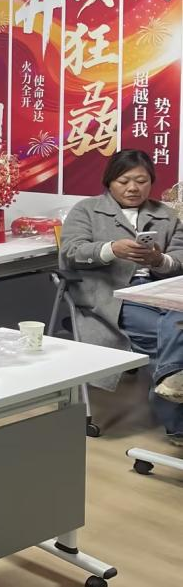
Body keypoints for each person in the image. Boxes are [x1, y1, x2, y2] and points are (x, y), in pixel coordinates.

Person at [60, 149, 183, 445]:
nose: (133, 188)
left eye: (141, 181)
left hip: (160, 292)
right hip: (113, 297)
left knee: (176, 323)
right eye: (124, 181)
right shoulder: (86, 210)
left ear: (151, 182)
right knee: (171, 334)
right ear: (109, 182)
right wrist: (110, 249)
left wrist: (159, 260)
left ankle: (173, 381)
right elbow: (71, 252)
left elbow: (180, 259)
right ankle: (178, 424)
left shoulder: (167, 215)